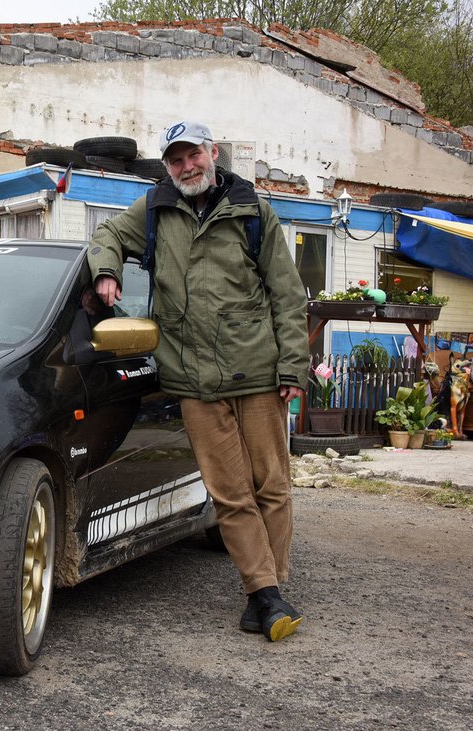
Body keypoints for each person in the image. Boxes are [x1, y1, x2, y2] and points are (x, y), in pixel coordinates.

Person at [87, 120, 309, 642]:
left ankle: (266, 592)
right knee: (230, 494)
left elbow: (287, 295)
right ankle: (267, 596)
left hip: (257, 373)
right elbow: (107, 235)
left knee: (270, 486)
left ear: (214, 153)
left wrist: (293, 368)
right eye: (176, 160)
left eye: (194, 156)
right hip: (192, 379)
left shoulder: (253, 211)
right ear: (167, 166)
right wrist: (106, 270)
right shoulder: (155, 209)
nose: (187, 167)